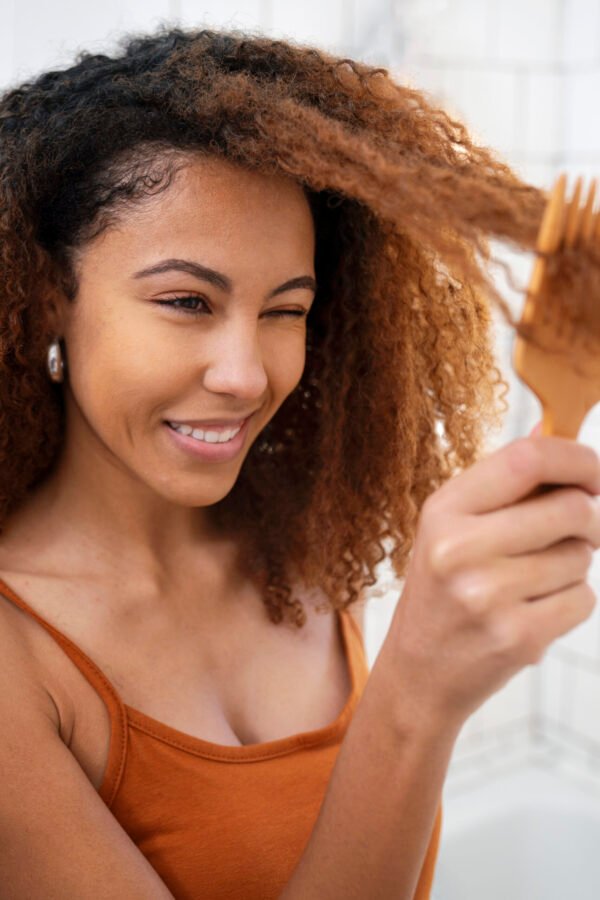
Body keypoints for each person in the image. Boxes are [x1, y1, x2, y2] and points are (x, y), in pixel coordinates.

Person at [0, 24, 598, 900]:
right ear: (50, 299)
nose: (246, 376)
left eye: (287, 310)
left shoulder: (305, 551)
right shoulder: (18, 662)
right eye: (185, 301)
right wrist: (416, 697)